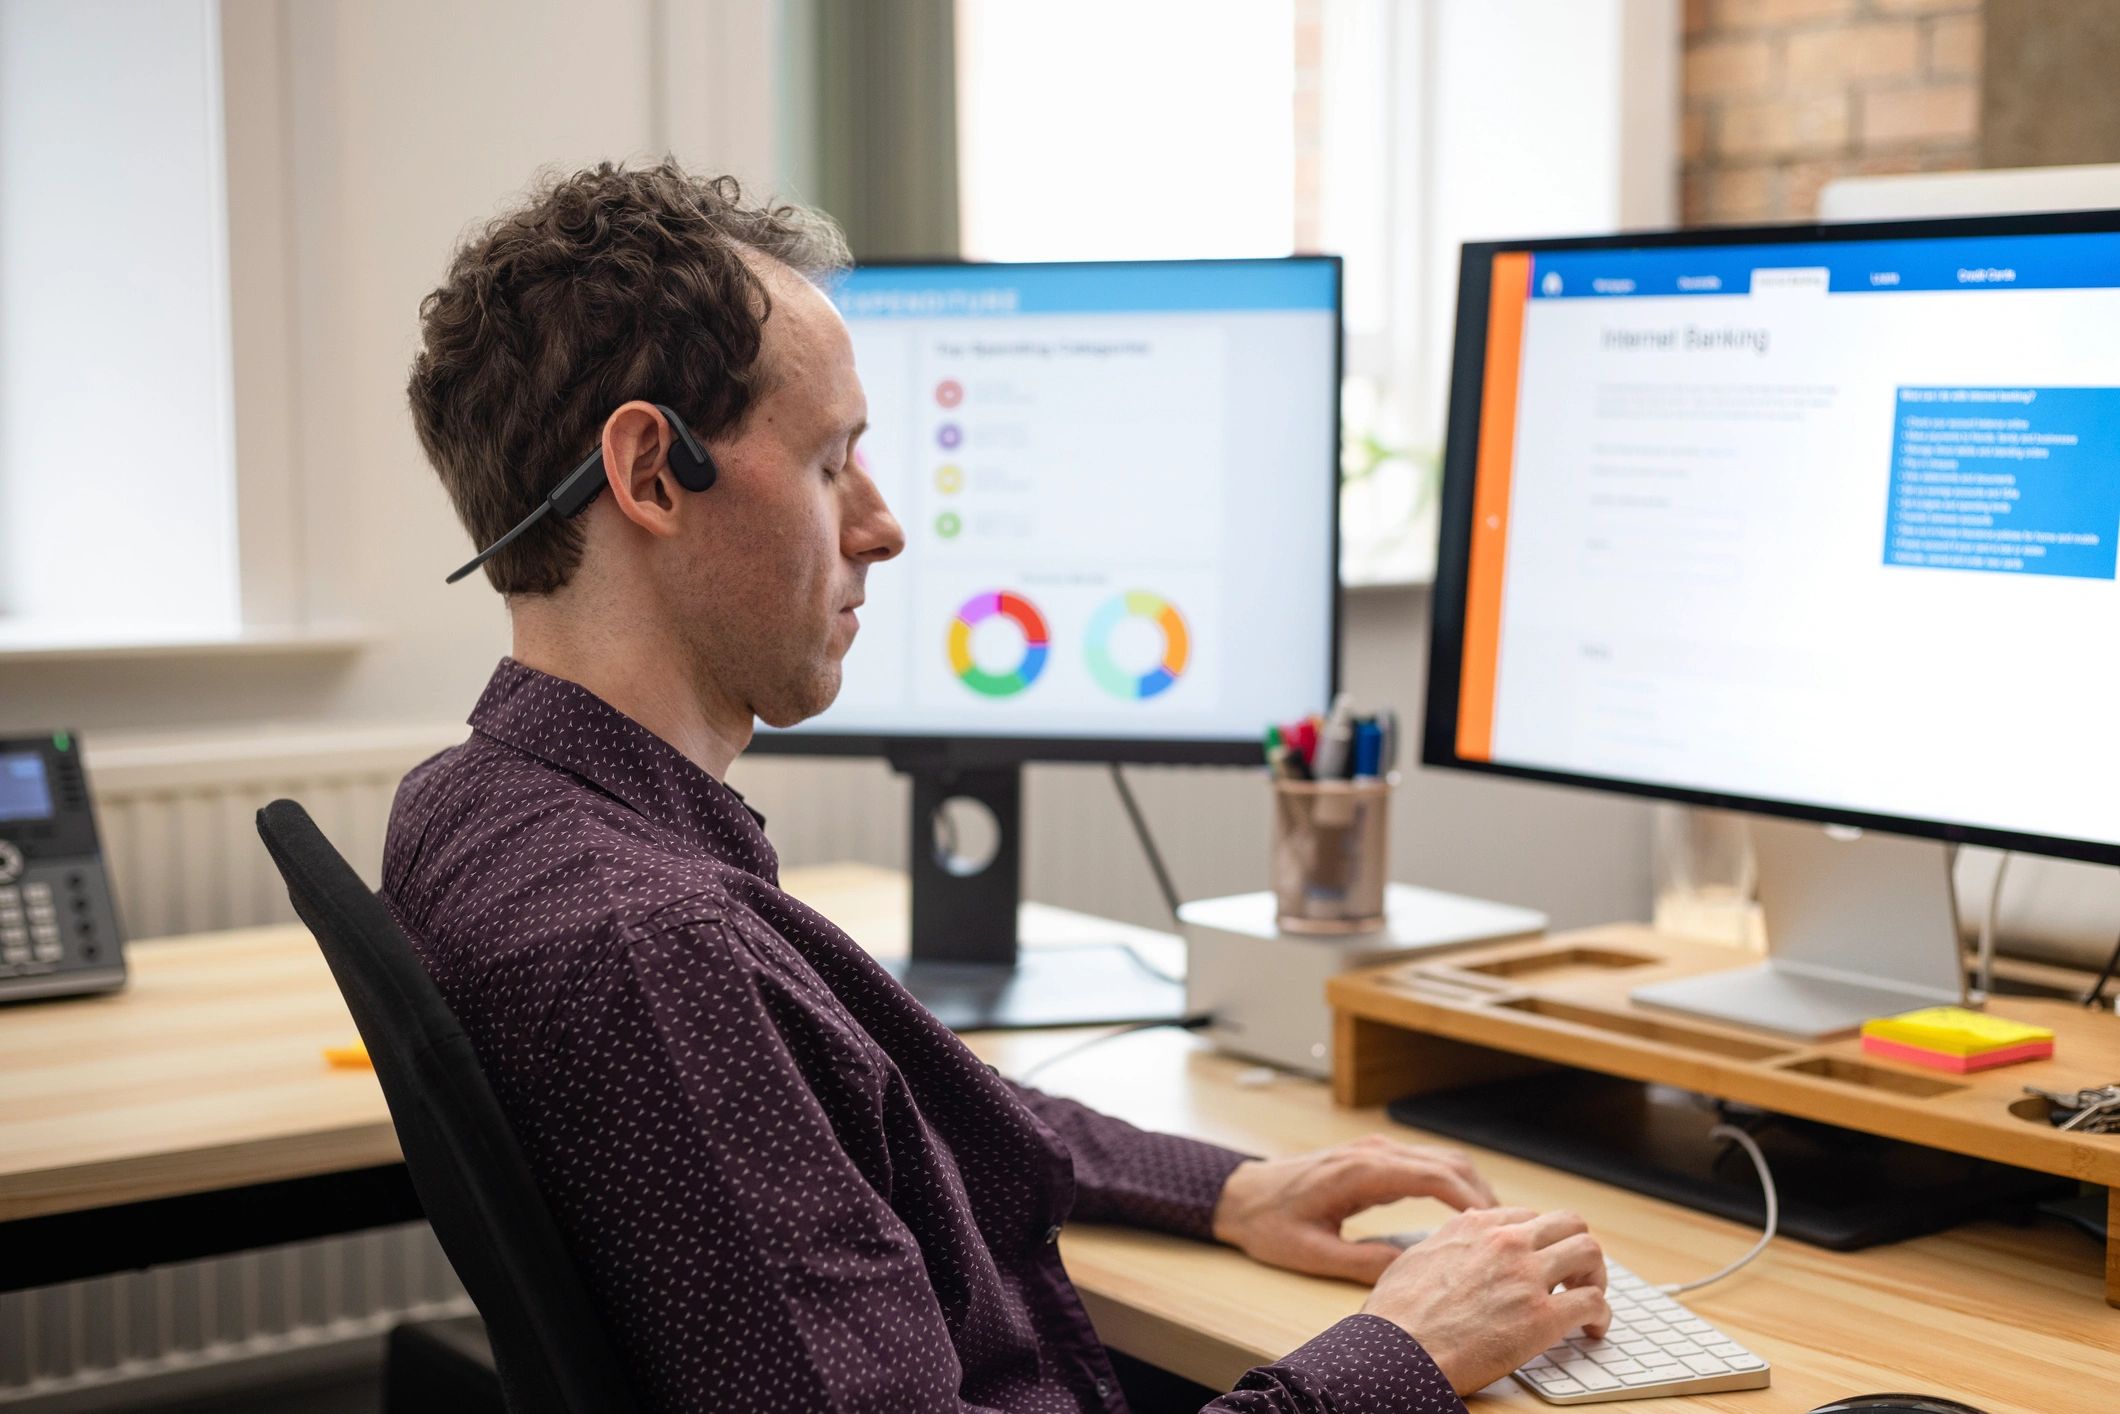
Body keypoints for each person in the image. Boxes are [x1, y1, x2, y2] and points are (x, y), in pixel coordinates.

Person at [384, 159, 1609, 1414]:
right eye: (828, 462)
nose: (880, 525)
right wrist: (1397, 1354)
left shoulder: (476, 809)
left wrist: (1227, 1188)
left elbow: (882, 1102)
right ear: (650, 474)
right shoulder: (657, 946)